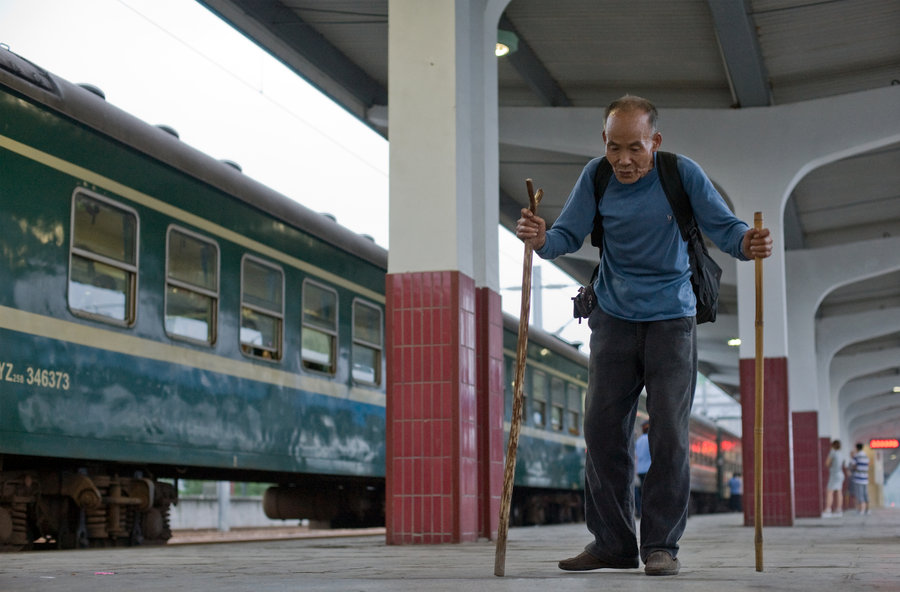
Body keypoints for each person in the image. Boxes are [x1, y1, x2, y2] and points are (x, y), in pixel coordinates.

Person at [515, 95, 773, 577]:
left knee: (670, 434)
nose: (624, 160)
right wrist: (541, 238)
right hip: (613, 317)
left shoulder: (681, 173)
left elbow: (725, 228)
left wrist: (747, 242)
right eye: (614, 147)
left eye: (635, 147)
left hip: (672, 319)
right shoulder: (596, 176)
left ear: (655, 141)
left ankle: (660, 545)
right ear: (604, 141)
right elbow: (565, 236)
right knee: (602, 431)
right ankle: (612, 543)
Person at [823, 439, 847, 517]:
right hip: (840, 474)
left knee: (830, 492)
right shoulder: (841, 454)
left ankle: (828, 509)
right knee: (839, 491)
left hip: (834, 474)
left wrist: (831, 465)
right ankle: (839, 509)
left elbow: (827, 463)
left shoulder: (832, 452)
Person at [634, 420, 651, 520]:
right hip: (649, 470)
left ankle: (640, 511)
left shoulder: (638, 441)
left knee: (640, 492)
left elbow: (636, 457)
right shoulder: (651, 439)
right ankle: (648, 512)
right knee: (649, 492)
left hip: (640, 470)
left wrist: (636, 471)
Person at [850, 442, 870, 514]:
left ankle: (861, 509)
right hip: (865, 478)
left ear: (856, 448)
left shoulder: (856, 456)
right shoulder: (866, 456)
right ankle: (867, 510)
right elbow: (868, 464)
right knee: (865, 494)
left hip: (858, 478)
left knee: (859, 494)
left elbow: (853, 465)